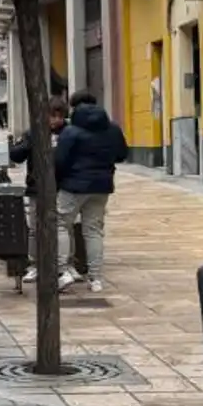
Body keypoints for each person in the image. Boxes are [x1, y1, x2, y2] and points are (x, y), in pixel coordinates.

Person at [54, 90, 129, 293]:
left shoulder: (71, 131)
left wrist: (59, 179)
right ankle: (95, 278)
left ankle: (63, 272)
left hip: (73, 186)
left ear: (73, 107)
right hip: (102, 186)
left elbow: (59, 160)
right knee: (94, 230)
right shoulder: (112, 129)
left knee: (60, 224)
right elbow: (122, 154)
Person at [11, 96, 69, 286]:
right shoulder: (33, 133)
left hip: (62, 186)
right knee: (35, 229)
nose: (56, 121)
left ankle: (64, 267)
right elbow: (16, 155)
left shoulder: (68, 133)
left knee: (62, 226)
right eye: (52, 116)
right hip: (36, 187)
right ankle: (35, 264)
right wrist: (29, 142)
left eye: (60, 117)